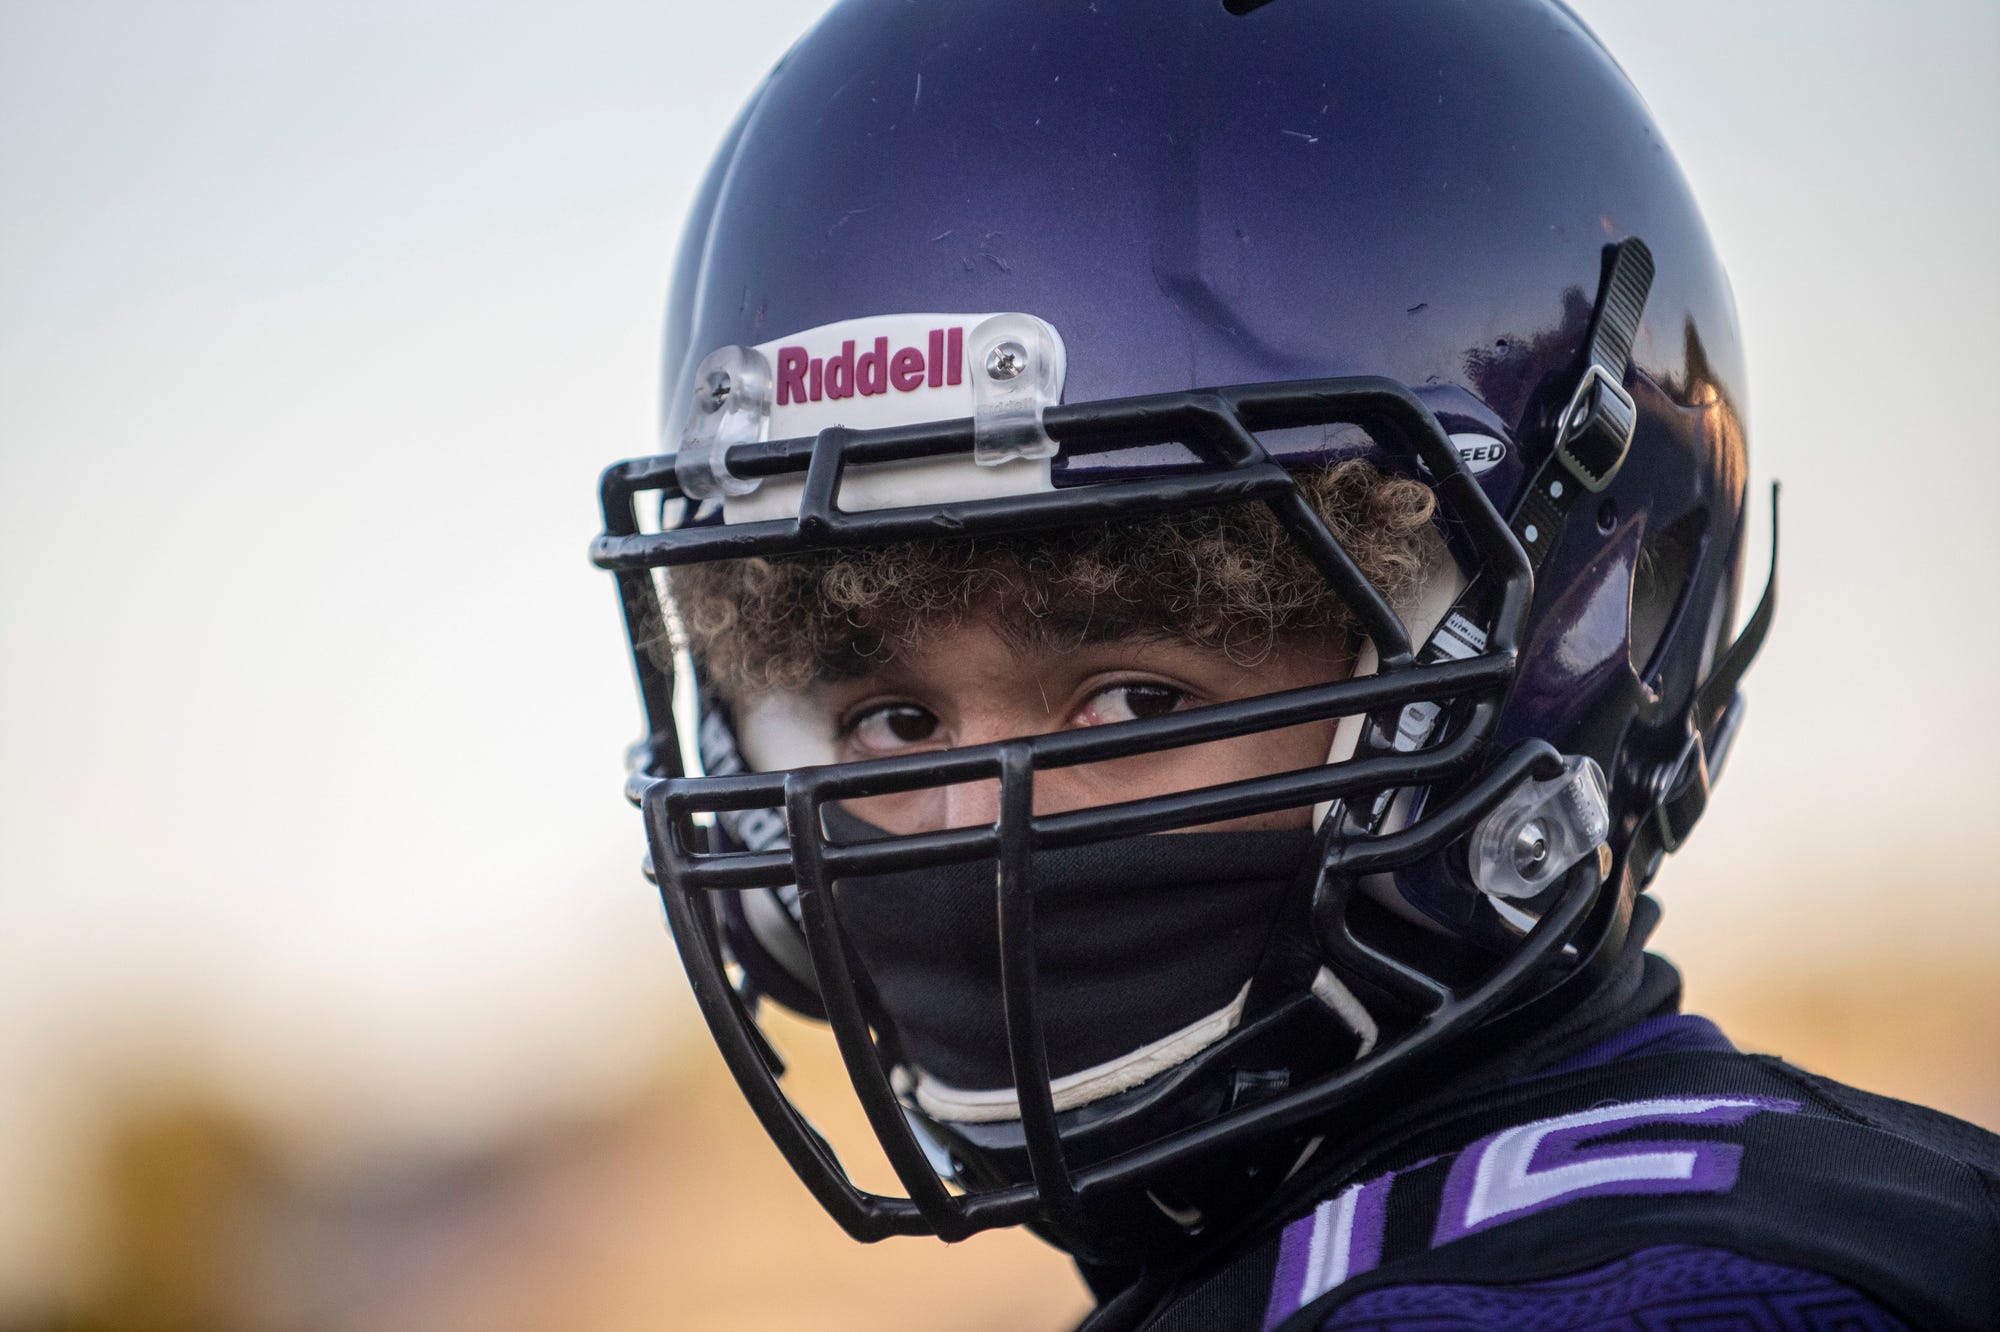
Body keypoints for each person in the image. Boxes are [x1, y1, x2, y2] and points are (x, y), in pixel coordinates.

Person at [590, 2, 2000, 1327]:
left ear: (1542, 658)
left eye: (1136, 700)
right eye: (892, 721)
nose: (980, 822)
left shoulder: (1654, 1296)